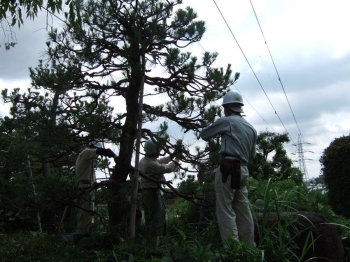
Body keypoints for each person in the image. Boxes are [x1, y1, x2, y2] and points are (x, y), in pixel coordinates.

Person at [199, 91, 257, 247]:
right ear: (240, 108)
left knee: (225, 210)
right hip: (243, 169)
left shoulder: (227, 121)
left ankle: (233, 250)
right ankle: (249, 248)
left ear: (228, 108)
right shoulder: (251, 128)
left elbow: (204, 134)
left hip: (228, 168)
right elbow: (252, 154)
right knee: (243, 211)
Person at [63, 141, 117, 243]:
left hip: (87, 186)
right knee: (85, 213)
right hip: (85, 186)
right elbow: (103, 151)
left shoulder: (86, 159)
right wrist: (114, 156)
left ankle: (87, 234)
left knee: (88, 213)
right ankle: (81, 235)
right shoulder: (86, 152)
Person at [139, 139, 178, 237]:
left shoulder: (144, 160)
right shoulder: (150, 164)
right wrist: (177, 159)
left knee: (150, 219)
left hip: (147, 192)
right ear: (154, 151)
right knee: (157, 219)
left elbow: (159, 161)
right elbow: (167, 168)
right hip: (152, 193)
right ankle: (156, 242)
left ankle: (150, 241)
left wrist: (172, 156)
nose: (159, 153)